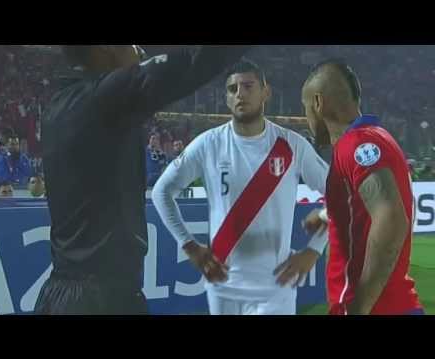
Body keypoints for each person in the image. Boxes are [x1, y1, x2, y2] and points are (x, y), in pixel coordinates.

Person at [35, 45, 252, 315]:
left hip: (68, 292)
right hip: (98, 300)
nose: (140, 51)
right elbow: (196, 61)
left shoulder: (61, 105)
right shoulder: (102, 99)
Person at [152, 59, 329, 315]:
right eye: (233, 89)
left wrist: (314, 250)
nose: (240, 94)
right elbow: (161, 192)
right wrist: (189, 245)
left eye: (248, 86)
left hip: (276, 287)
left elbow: (341, 193)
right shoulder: (208, 144)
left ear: (265, 92)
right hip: (222, 286)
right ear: (226, 98)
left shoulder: (292, 146)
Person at [301, 59, 423, 315]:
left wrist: (359, 307)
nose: (306, 117)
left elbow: (391, 219)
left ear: (318, 103)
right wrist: (327, 215)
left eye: (306, 107)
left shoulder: (356, 145)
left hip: (379, 309)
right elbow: (370, 203)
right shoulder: (375, 138)